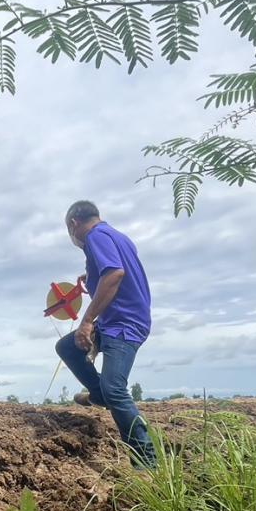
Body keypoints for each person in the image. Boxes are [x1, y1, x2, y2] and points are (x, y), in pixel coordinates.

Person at [56, 200, 158, 468]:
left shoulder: (95, 236)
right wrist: (91, 275)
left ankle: (146, 464)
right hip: (116, 320)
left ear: (73, 224)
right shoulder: (117, 236)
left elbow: (114, 274)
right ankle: (97, 395)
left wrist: (87, 321)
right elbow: (111, 272)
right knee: (67, 348)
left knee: (115, 389)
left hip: (124, 323)